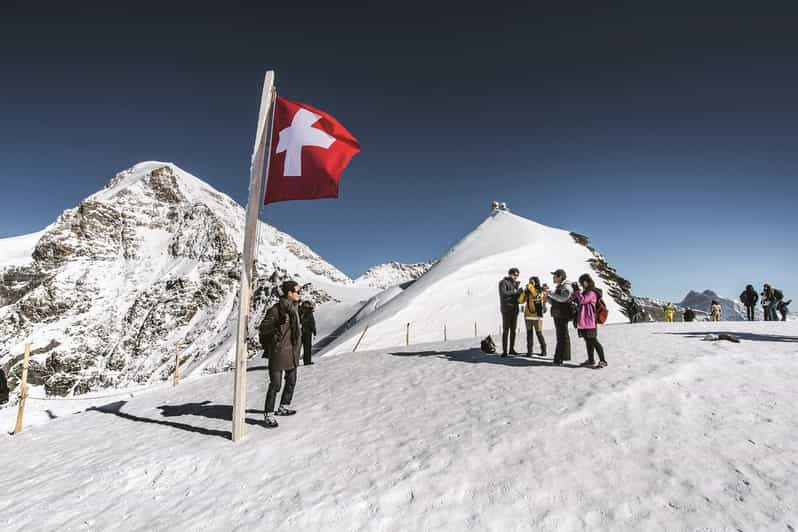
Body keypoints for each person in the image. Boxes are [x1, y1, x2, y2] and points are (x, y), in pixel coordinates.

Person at [259, 280, 303, 429]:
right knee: (276, 385)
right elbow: (264, 328)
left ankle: (283, 407)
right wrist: (275, 332)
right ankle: (268, 414)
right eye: (297, 291)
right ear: (289, 293)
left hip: (292, 352)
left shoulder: (295, 309)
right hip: (278, 352)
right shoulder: (276, 310)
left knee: (291, 381)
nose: (299, 294)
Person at [572, 274, 607, 368]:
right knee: (588, 341)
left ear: (586, 281)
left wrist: (577, 291)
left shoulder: (592, 292)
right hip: (584, 320)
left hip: (590, 320)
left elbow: (583, 300)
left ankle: (603, 361)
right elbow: (579, 301)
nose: (581, 284)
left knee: (593, 340)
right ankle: (591, 360)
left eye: (582, 282)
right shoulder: (585, 291)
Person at [545, 269, 572, 366]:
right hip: (559, 314)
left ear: (560, 277)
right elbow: (556, 301)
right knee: (562, 336)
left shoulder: (566, 286)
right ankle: (564, 357)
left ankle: (558, 359)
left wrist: (550, 293)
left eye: (554, 276)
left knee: (561, 337)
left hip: (562, 314)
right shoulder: (560, 286)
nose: (553, 278)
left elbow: (563, 298)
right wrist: (547, 297)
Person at [518, 276, 547, 356]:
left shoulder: (540, 290)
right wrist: (524, 292)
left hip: (537, 317)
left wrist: (531, 288)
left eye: (532, 282)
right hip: (528, 316)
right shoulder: (528, 291)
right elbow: (520, 301)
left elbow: (537, 297)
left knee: (539, 334)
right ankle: (529, 351)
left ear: (536, 282)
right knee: (529, 334)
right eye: (529, 282)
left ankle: (544, 350)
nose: (530, 283)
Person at [498, 268, 523, 356]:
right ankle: (504, 351)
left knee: (513, 330)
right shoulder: (503, 282)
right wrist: (515, 291)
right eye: (515, 275)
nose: (516, 277)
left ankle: (511, 349)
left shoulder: (515, 283)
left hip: (515, 309)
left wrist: (521, 293)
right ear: (510, 274)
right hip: (506, 310)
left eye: (517, 275)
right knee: (506, 330)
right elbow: (503, 293)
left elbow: (516, 297)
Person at [299, 300, 317, 366]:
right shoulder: (309, 312)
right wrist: (314, 331)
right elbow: (312, 323)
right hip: (307, 332)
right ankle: (307, 361)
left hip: (300, 331)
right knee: (307, 347)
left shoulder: (300, 311)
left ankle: (294, 361)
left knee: (298, 347)